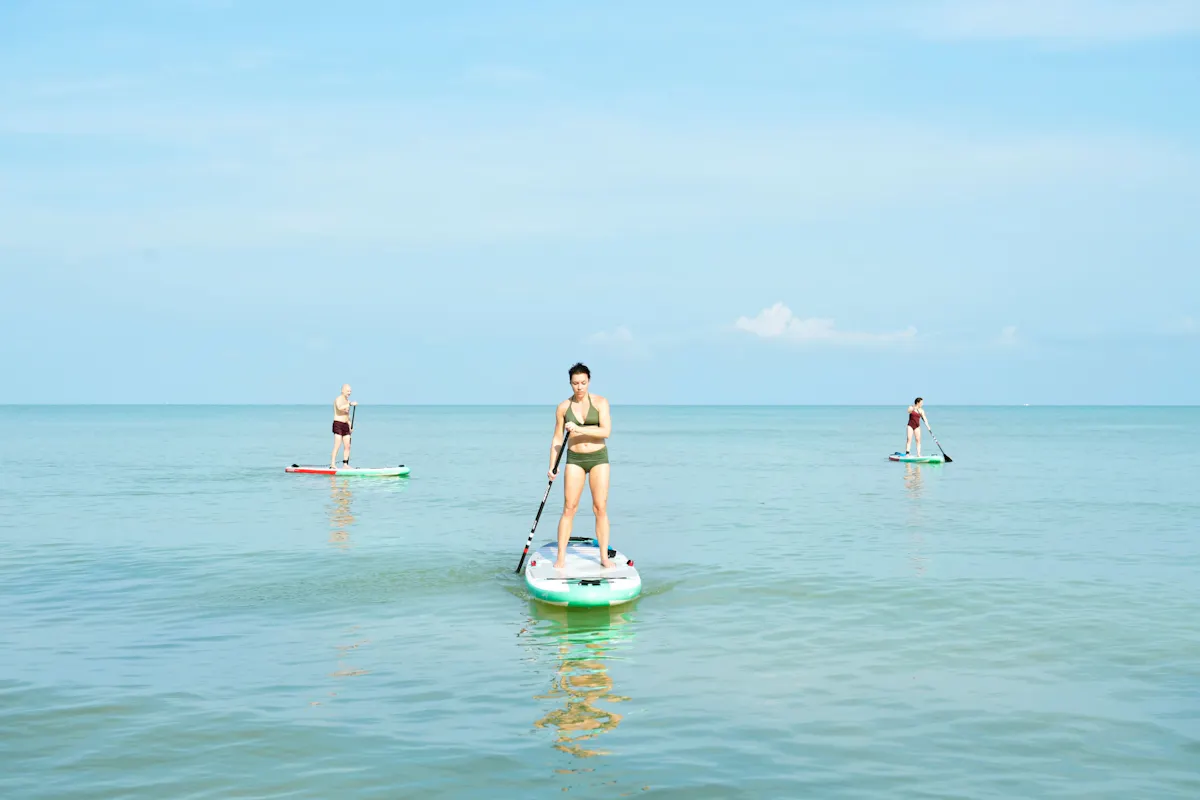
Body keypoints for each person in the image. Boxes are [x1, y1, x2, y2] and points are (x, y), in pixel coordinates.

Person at [548, 363, 613, 570]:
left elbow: (606, 432)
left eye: (583, 383)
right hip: (574, 459)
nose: (580, 387)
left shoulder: (601, 402)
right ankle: (560, 557)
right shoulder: (563, 408)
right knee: (569, 507)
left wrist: (579, 429)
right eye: (576, 383)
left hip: (598, 458)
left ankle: (603, 557)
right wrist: (552, 466)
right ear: (570, 384)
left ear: (589, 382)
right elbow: (558, 438)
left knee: (600, 507)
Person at [330, 384, 357, 469]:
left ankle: (345, 464)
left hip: (345, 425)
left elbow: (347, 415)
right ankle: (332, 464)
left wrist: (350, 426)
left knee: (347, 445)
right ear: (343, 391)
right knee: (337, 444)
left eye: (350, 391)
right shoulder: (338, 399)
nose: (349, 393)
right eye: (348, 391)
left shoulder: (347, 401)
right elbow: (339, 408)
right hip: (338, 423)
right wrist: (350, 404)